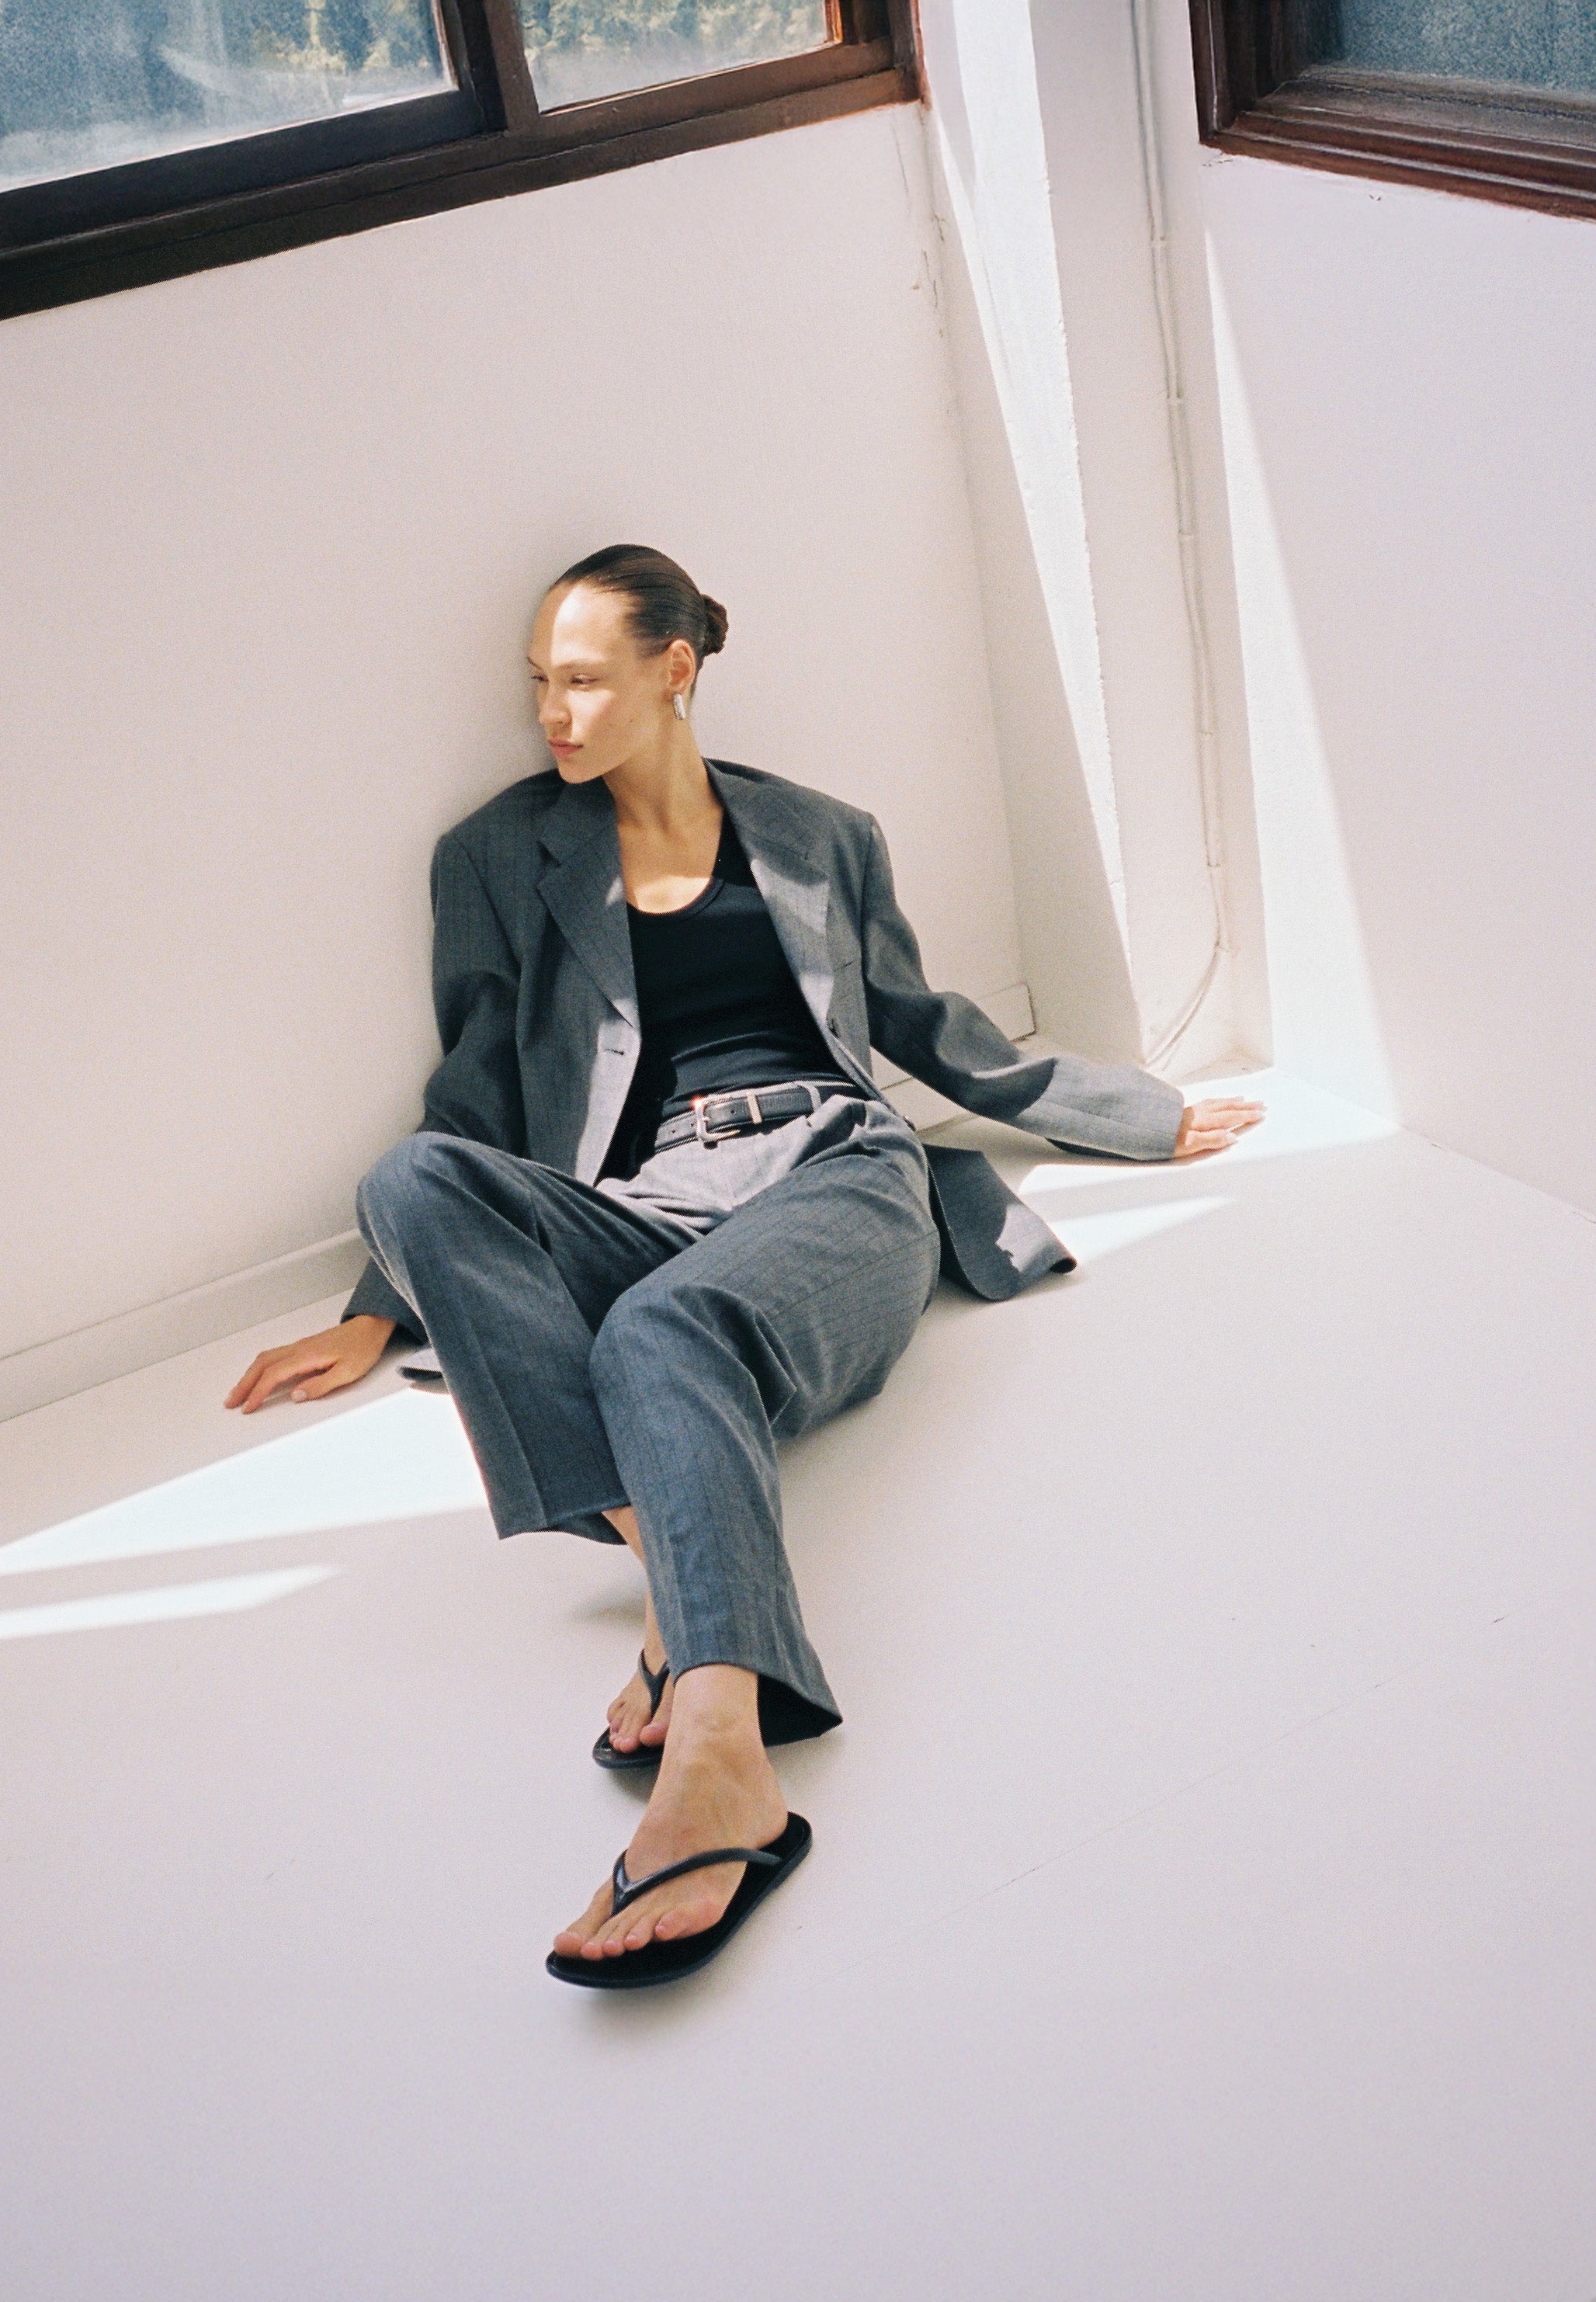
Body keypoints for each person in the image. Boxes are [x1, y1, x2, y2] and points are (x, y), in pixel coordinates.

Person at [225, 546, 1264, 1988]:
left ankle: (721, 1753)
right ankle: (683, 1569)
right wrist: (377, 1302)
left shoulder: (822, 834)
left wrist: (1129, 1112)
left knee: (659, 1335)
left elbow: (927, 1024)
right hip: (643, 1198)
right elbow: (473, 1094)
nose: (552, 714)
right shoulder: (494, 857)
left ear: (676, 670)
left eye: (583, 680)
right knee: (408, 1180)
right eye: (538, 684)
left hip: (832, 1169)